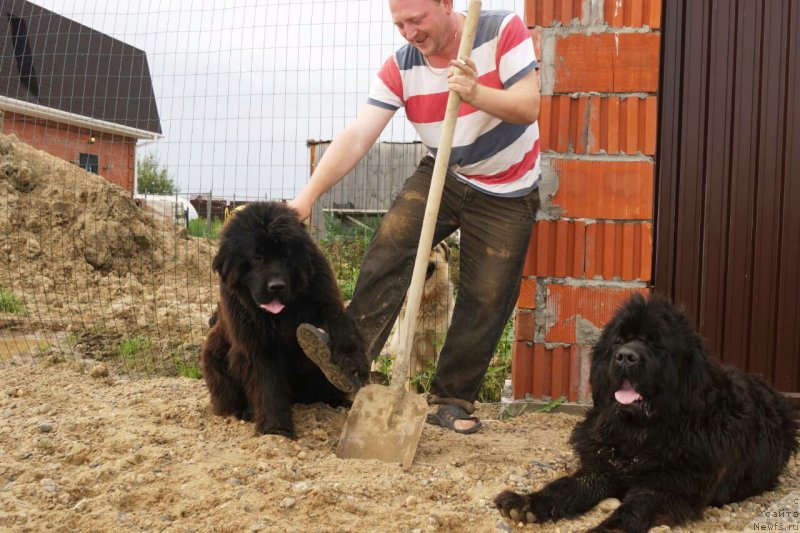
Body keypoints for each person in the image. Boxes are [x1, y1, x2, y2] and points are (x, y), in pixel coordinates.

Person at [291, 0, 541, 434]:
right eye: (400, 23)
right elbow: (357, 136)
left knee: (486, 295)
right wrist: (308, 196)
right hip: (444, 170)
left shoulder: (502, 30)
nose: (408, 32)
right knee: (391, 242)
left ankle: (452, 400)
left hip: (507, 188)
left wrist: (475, 91)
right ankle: (350, 359)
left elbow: (528, 105)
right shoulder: (402, 66)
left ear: (446, 4)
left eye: (416, 19)